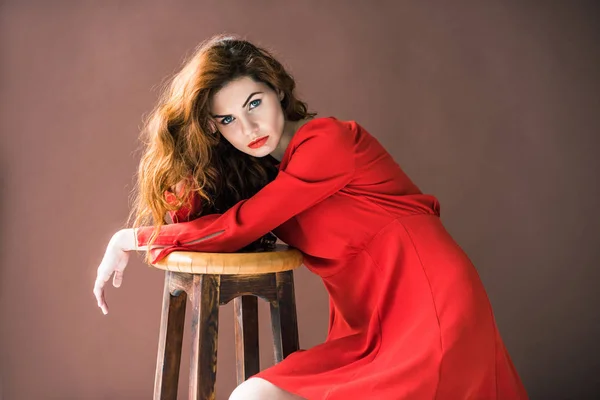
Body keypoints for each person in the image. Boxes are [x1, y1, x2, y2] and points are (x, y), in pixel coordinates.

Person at [93, 34, 528, 400]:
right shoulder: (265, 173)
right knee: (253, 395)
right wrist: (194, 156)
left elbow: (239, 226)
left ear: (278, 90)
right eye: (227, 119)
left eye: (254, 102)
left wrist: (129, 239)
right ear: (213, 128)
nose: (248, 128)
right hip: (369, 324)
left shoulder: (327, 143)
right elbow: (198, 217)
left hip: (430, 304)